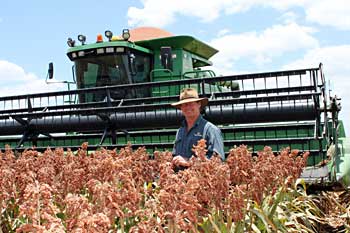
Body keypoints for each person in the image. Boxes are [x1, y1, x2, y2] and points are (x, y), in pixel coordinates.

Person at [171, 88, 225, 168]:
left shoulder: (211, 130)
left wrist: (189, 162)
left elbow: (218, 162)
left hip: (201, 179)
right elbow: (175, 156)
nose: (188, 107)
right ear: (181, 108)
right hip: (180, 179)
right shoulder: (180, 131)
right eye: (185, 104)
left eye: (191, 103)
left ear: (199, 104)